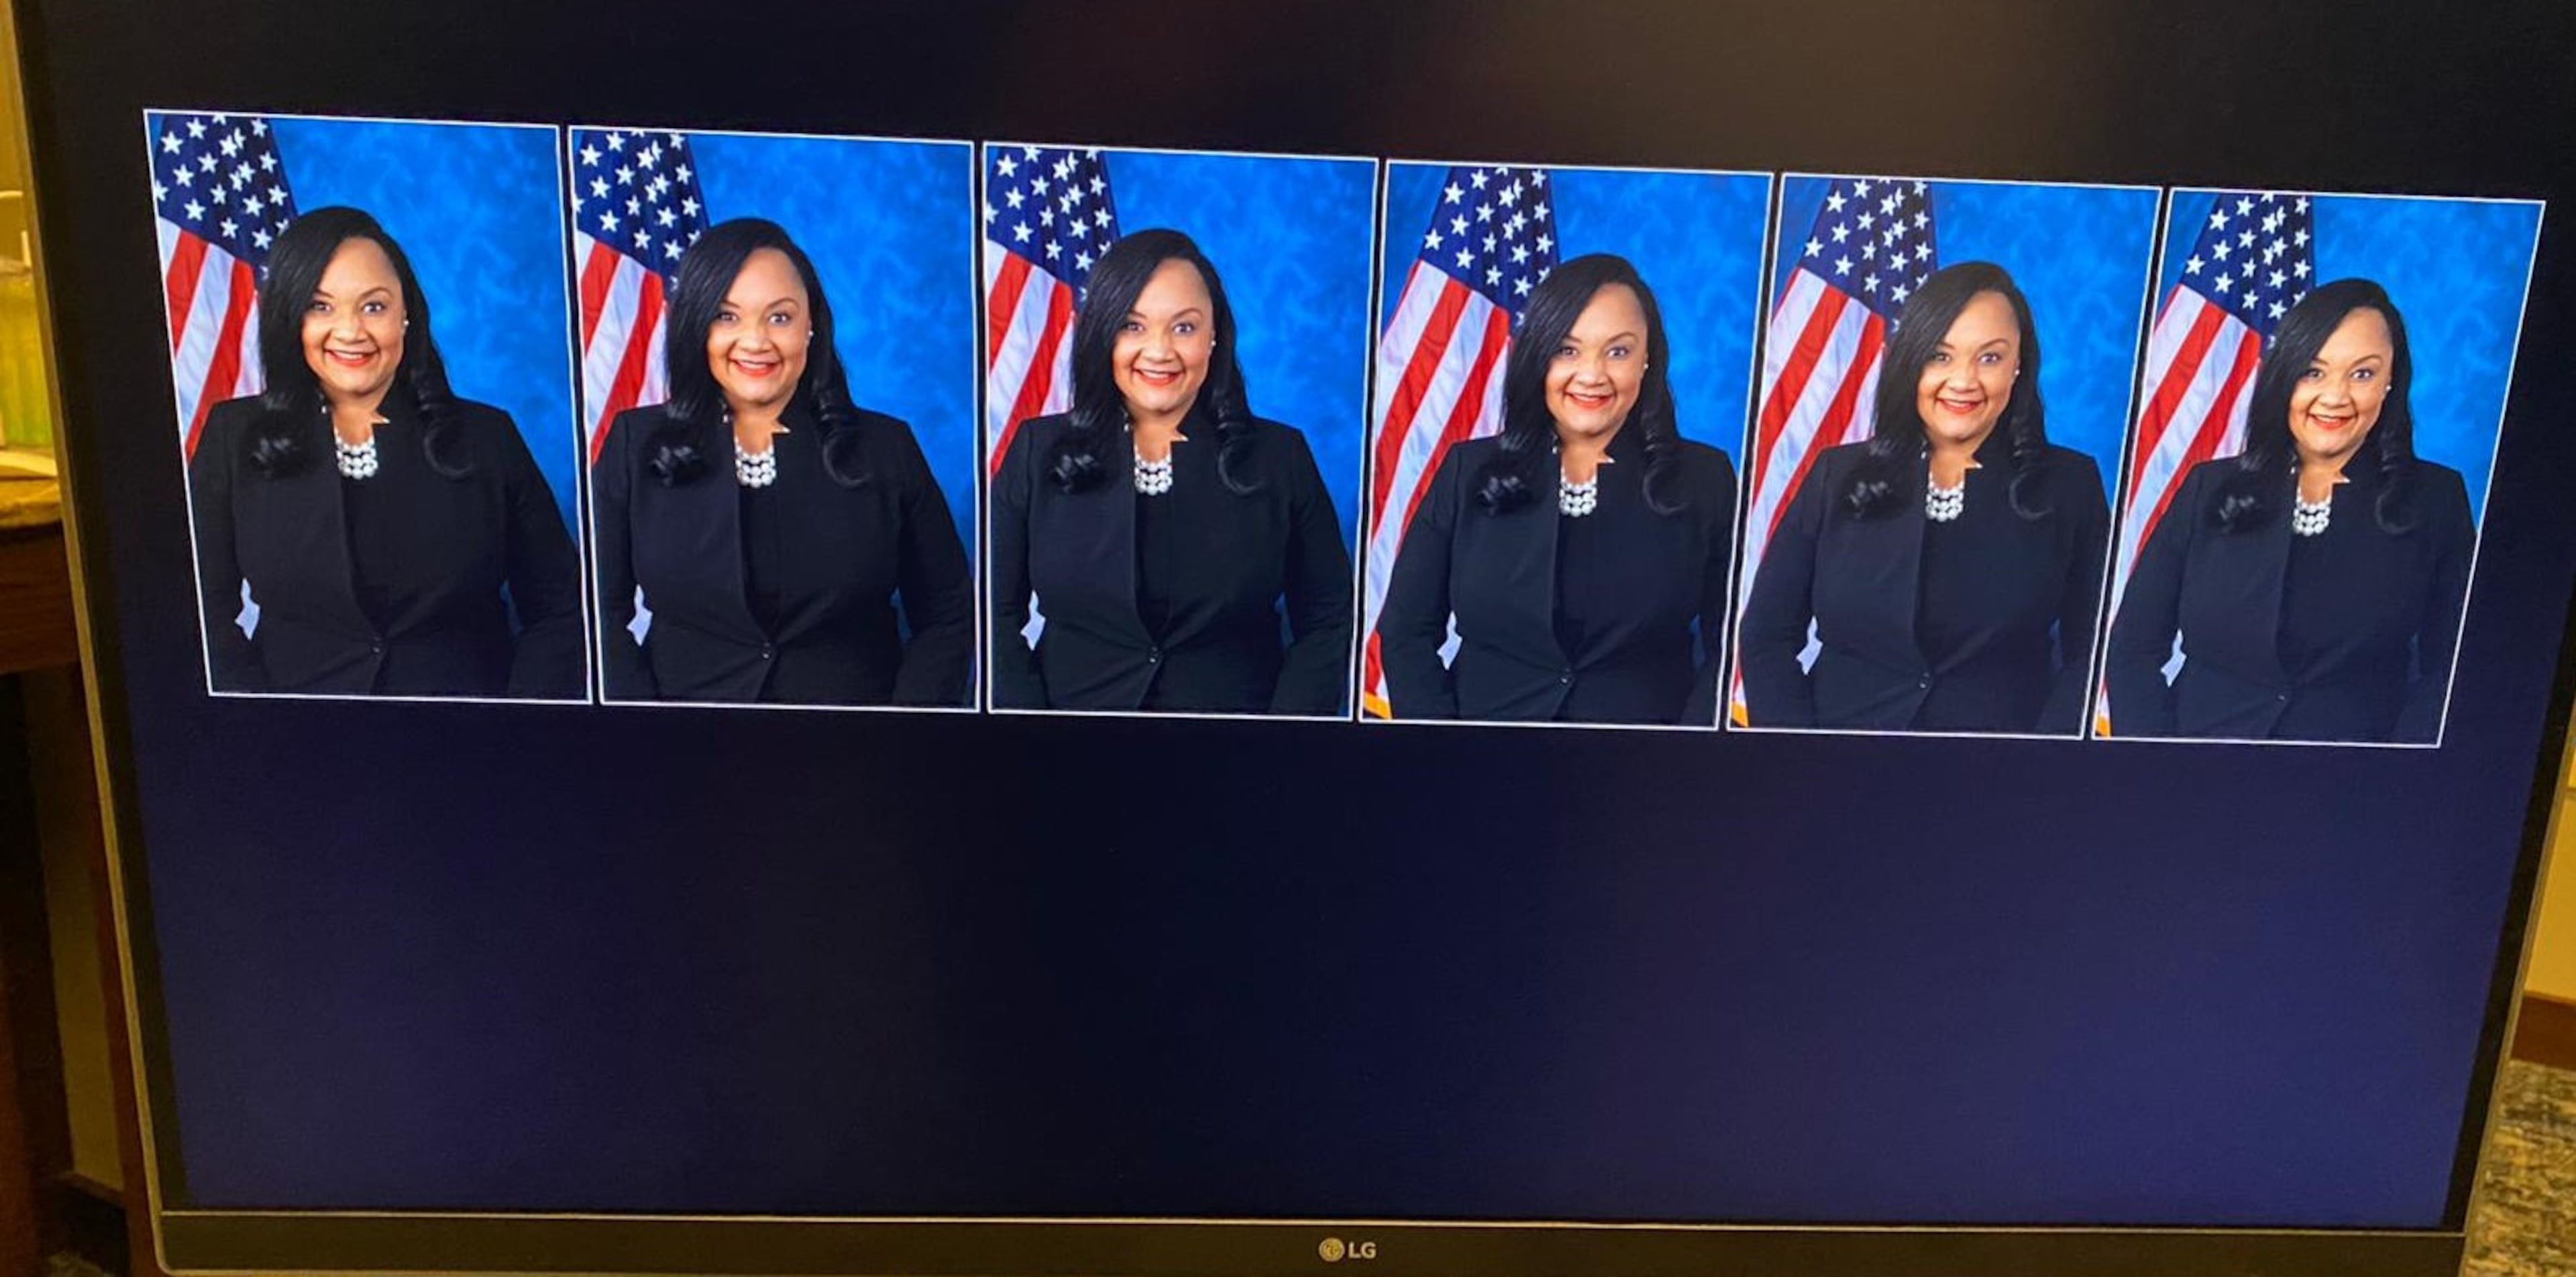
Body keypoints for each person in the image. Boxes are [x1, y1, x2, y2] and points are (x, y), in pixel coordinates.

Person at [187, 207, 582, 698]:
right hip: (294, 730)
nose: (351, 331)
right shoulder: (233, 436)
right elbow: (199, 613)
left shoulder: (488, 437)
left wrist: (517, 721)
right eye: (320, 306)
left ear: (406, 316)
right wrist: (257, 719)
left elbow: (561, 610)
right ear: (291, 319)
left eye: (374, 307)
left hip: (467, 728)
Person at [592, 218, 971, 706]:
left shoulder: (887, 447)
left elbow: (948, 615)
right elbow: (596, 614)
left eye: (780, 317)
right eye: (726, 316)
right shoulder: (634, 444)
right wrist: (639, 728)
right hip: (683, 736)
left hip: (854, 738)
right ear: (696, 326)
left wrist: (902, 730)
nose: (756, 341)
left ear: (811, 326)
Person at [989, 228, 1354, 715]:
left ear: (1214, 336)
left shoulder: (1280, 456)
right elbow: (992, 613)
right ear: (1103, 334)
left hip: (1236, 741)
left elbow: (1329, 618)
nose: (1160, 351)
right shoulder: (1037, 450)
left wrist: (1281, 737)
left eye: (1184, 328)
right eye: (1133, 326)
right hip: (1069, 738)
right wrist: (1027, 733)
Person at [1738, 261, 2108, 734]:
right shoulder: (1837, 475)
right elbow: (1767, 635)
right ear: (1911, 361)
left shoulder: (2071, 485)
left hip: (2001, 763)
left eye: (1990, 358)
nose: (1964, 381)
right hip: (1839, 755)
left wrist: (2042, 759)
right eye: (1940, 356)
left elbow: (2091, 652)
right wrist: (1800, 753)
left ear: (2019, 366)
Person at [2104, 278, 2473, 743]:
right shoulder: (2208, 488)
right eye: (2313, 372)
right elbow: (2133, 650)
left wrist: (2397, 772)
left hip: (2354, 776)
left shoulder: (2436, 500)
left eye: (2363, 374)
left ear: (2390, 382)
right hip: (2197, 764)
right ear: (2285, 377)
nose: (2335, 397)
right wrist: (2154, 760)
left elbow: (2450, 670)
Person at [1377, 254, 1738, 725]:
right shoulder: (1468, 470)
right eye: (1568, 350)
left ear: (1648, 360)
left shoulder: (1706, 478)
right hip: (1483, 751)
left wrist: (1689, 752)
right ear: (1539, 357)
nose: (1592, 375)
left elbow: (1729, 645)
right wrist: (1445, 746)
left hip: (1644, 756)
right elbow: (1406, 631)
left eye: (1618, 352)